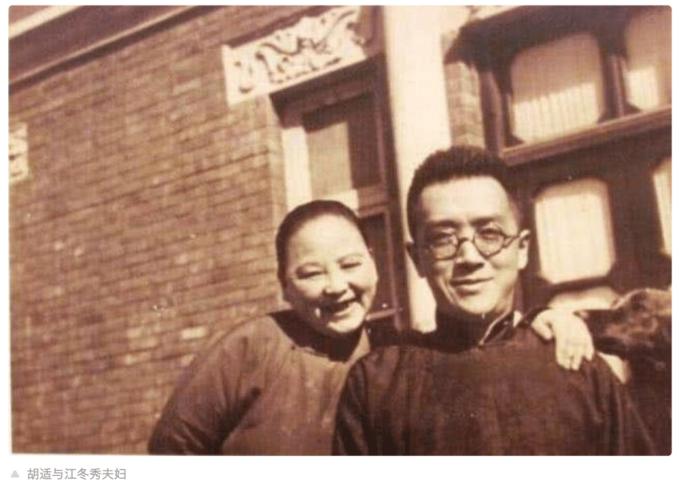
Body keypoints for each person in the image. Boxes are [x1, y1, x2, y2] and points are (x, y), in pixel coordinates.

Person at [148, 200, 593, 455]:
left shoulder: (398, 354)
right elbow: (170, 455)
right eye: (310, 273)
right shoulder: (251, 349)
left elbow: (479, 346)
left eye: (349, 264)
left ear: (374, 264)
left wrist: (542, 320)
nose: (335, 286)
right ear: (284, 285)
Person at [333, 145, 655, 455]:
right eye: (443, 239)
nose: (469, 257)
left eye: (490, 234)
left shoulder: (576, 364)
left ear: (522, 249)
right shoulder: (377, 384)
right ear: (417, 258)